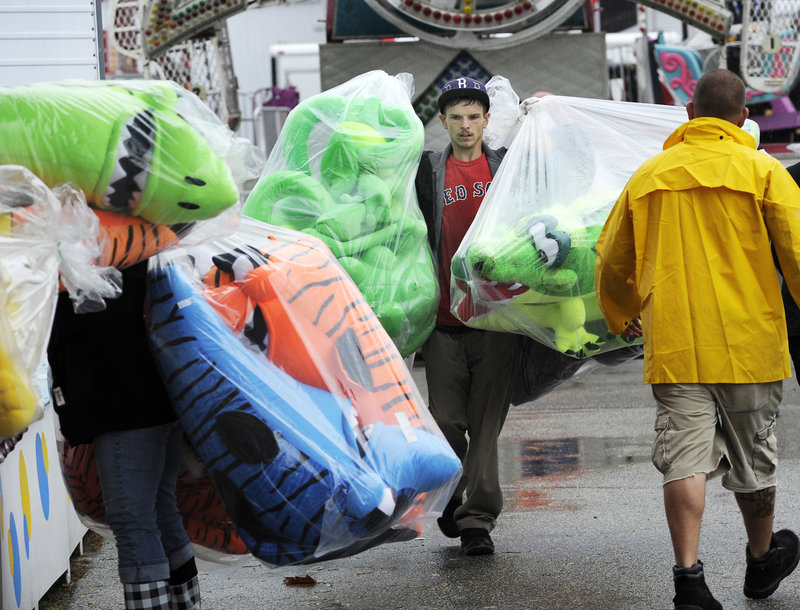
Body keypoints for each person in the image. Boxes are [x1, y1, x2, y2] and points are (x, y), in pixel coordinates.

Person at [594, 68, 800, 609]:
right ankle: (760, 565)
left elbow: (612, 256)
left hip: (677, 342)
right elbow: (799, 253)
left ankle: (689, 580)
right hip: (750, 345)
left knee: (684, 460)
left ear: (688, 114)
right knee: (754, 459)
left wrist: (622, 312)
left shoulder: (649, 175)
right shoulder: (764, 171)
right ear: (743, 119)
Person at [48, 261, 201, 610]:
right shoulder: (149, 243)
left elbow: (88, 322)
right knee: (161, 511)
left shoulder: (100, 252)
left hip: (124, 399)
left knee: (133, 521)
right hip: (160, 393)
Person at [414, 76, 522, 556]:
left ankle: (478, 519)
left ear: (487, 120)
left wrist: (544, 111)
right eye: (455, 117)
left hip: (496, 320)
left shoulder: (506, 167)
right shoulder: (426, 172)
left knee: (485, 423)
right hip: (442, 322)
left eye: (474, 116)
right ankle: (454, 492)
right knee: (446, 420)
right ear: (442, 121)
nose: (465, 125)